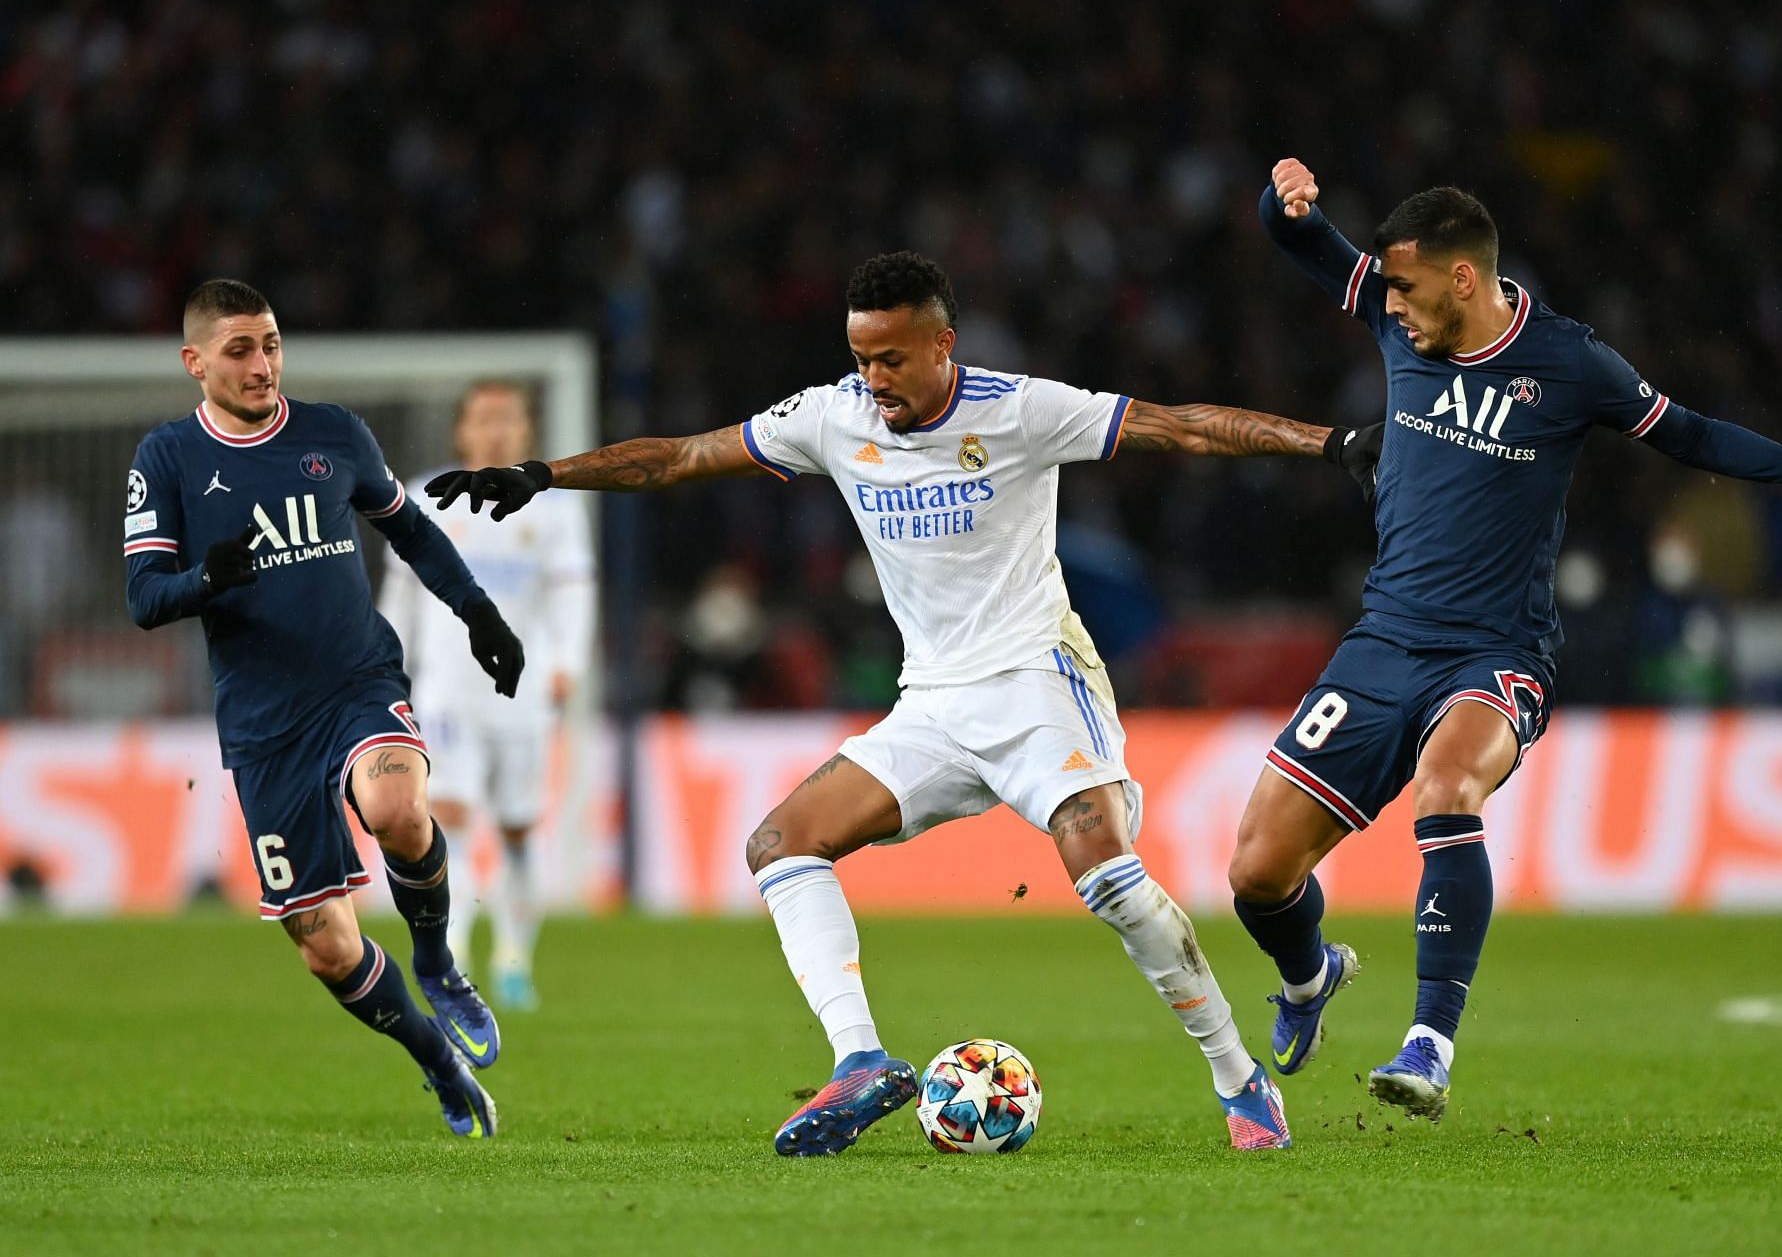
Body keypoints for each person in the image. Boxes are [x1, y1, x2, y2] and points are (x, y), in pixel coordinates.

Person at [429, 251, 1378, 1156]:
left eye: (890, 357)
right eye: (860, 357)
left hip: (1039, 683)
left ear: (942, 346)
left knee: (1103, 871)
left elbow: (1183, 426)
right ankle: (861, 1061)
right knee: (778, 843)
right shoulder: (831, 417)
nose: (872, 377)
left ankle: (1238, 1077)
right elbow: (679, 457)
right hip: (932, 705)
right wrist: (544, 475)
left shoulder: (1022, 411)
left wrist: (1327, 442)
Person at [1231, 158, 1782, 1122]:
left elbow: (1690, 435)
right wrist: (1281, 202)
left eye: (1405, 287)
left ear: (1463, 278)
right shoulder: (1392, 312)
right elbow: (1300, 243)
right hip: (1383, 642)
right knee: (1256, 875)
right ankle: (1311, 974)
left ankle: (1430, 1043)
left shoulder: (1571, 364)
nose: (1388, 305)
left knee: (1450, 788)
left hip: (1495, 652)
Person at [124, 279, 528, 1137]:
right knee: (327, 948)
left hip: (358, 682)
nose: (263, 364)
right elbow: (143, 596)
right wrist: (206, 581)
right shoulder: (166, 459)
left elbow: (409, 529)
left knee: (395, 805)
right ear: (195, 363)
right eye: (240, 350)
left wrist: (478, 611)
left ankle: (437, 961)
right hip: (265, 725)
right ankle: (434, 1057)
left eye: (271, 344)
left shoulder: (333, 433)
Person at [381, 380, 597, 1010]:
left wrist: (569, 661)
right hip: (447, 688)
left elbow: (573, 593)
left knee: (519, 827)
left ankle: (513, 955)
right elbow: (398, 598)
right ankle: (453, 956)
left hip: (523, 692)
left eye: (509, 420)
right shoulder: (423, 498)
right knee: (445, 817)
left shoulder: (554, 510)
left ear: (527, 432)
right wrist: (386, 664)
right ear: (462, 431)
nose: (496, 431)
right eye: (484, 419)